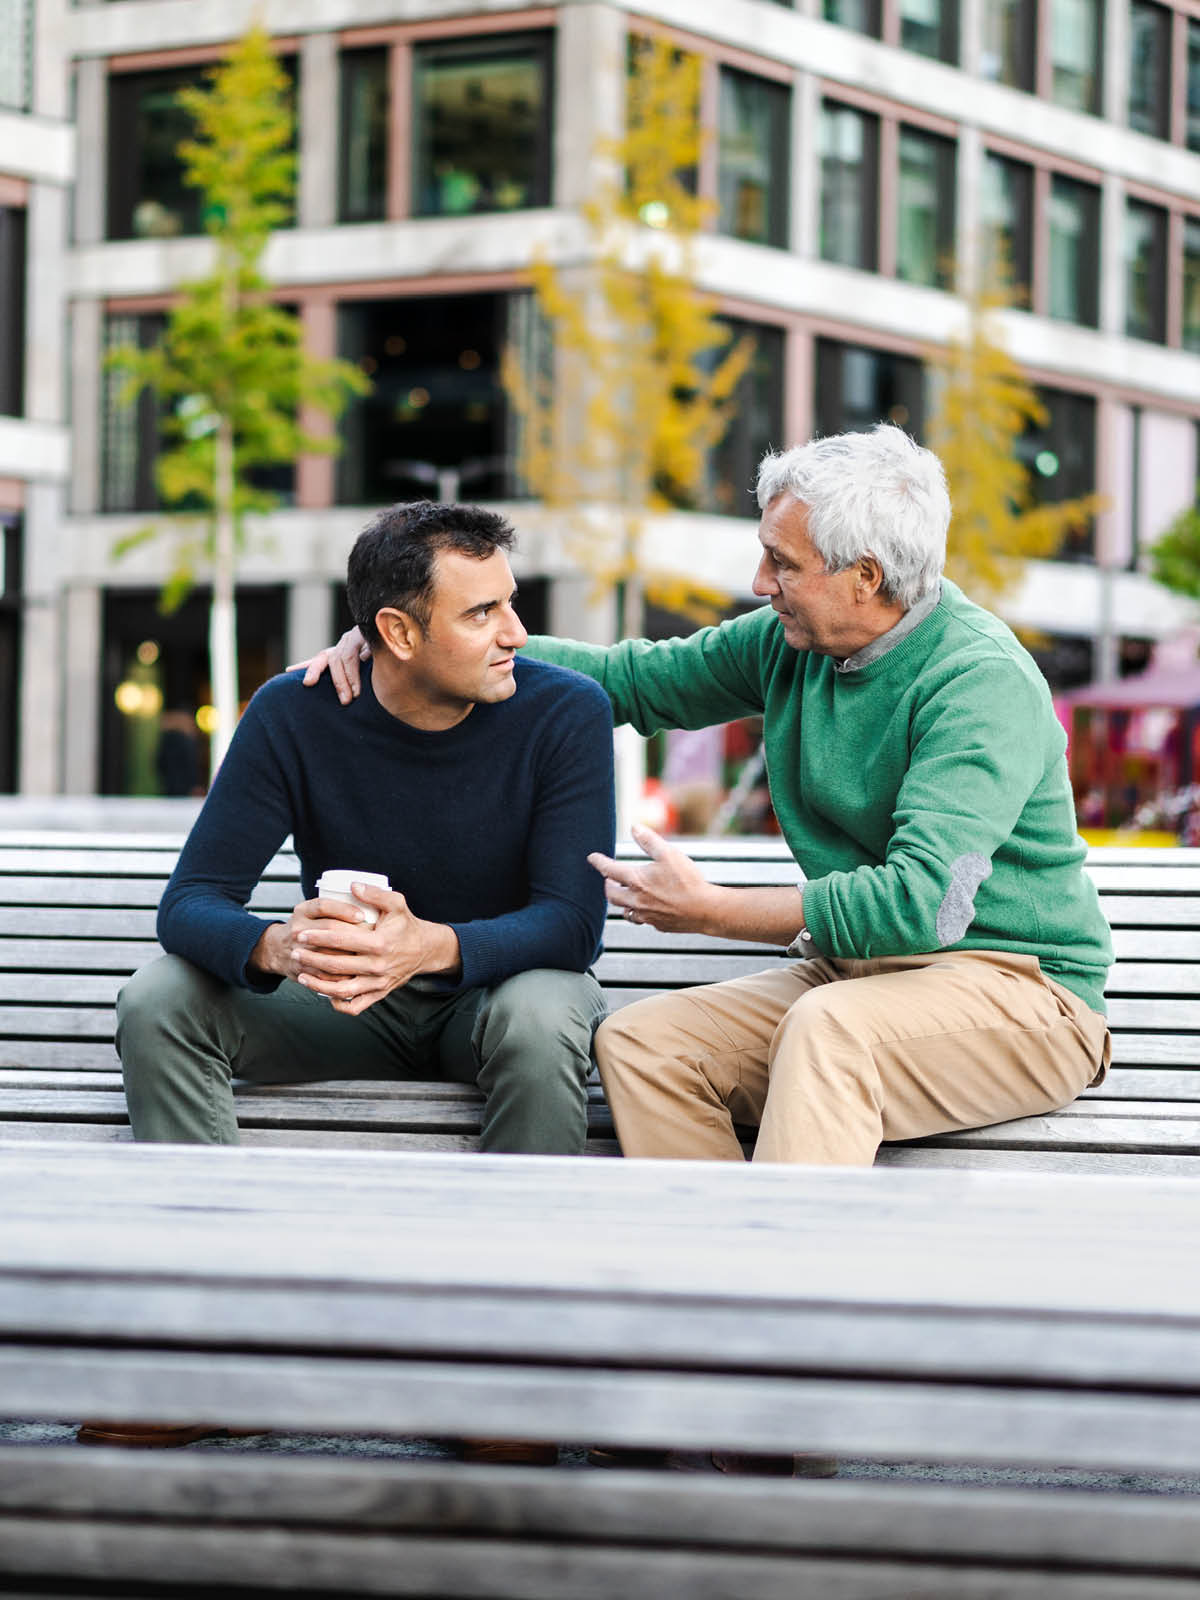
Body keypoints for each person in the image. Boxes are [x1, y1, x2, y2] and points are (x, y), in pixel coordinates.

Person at [307, 427, 1112, 1175]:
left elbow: (925, 904)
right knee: (642, 1047)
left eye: (782, 563)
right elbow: (631, 681)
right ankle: (712, 1262)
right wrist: (416, 645)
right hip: (862, 983)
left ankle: (777, 1277)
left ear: (865, 576)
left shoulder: (977, 683)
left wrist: (714, 911)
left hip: (1021, 996)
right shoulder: (789, 646)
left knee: (830, 1032)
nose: (761, 584)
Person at [81, 500, 614, 1456]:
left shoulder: (564, 712)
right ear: (398, 633)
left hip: (494, 1001)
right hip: (343, 1004)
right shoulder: (294, 712)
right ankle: (211, 1359)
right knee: (159, 999)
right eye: (482, 612)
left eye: (511, 603)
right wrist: (276, 949)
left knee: (545, 1015)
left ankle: (506, 1371)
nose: (516, 633)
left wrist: (430, 946)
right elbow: (191, 901)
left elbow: (572, 926)